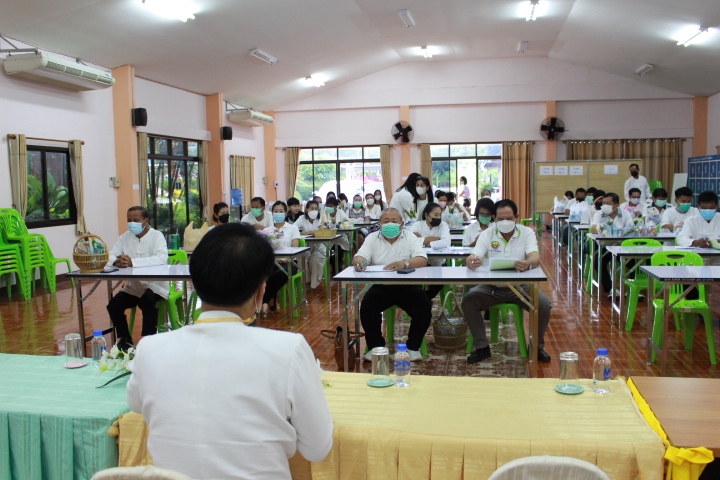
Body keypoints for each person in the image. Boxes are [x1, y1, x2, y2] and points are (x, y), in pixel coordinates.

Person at [126, 223, 333, 480]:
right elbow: (317, 449)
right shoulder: (288, 350)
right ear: (261, 291)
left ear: (195, 283)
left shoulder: (150, 349)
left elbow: (136, 403)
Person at [462, 199, 552, 363]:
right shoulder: (487, 234)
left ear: (516, 217)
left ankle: (537, 347)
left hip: (520, 287)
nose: (505, 222)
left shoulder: (526, 233)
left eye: (509, 219)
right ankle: (482, 347)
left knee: (543, 304)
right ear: (494, 218)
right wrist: (472, 261)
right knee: (469, 300)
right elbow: (474, 254)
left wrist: (528, 263)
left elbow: (535, 256)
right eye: (501, 219)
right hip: (491, 288)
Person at [352, 208, 430, 362]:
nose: (390, 224)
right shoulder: (372, 237)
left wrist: (404, 263)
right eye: (386, 221)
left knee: (424, 307)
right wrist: (359, 262)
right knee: (367, 308)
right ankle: (376, 347)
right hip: (381, 286)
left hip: (407, 286)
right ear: (380, 224)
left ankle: (413, 348)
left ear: (401, 224)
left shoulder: (410, 237)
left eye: (394, 221)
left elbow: (422, 259)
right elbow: (359, 257)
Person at [106, 206, 168, 351]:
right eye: (129, 220)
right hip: (134, 286)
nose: (132, 223)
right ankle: (125, 340)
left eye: (136, 220)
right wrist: (116, 261)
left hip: (155, 285)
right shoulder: (124, 237)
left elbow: (161, 258)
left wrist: (133, 262)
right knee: (114, 305)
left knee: (147, 300)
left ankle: (148, 341)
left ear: (146, 221)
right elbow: (110, 255)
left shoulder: (156, 236)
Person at [261, 201, 301, 313]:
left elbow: (295, 250)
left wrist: (286, 260)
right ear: (272, 213)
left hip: (289, 262)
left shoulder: (293, 228)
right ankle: (271, 299)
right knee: (264, 274)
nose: (278, 213)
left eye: (281, 211)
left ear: (285, 213)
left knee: (280, 273)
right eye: (276, 211)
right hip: (272, 262)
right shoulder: (266, 231)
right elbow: (264, 250)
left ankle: (265, 300)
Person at [591, 192, 633, 294]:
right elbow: (593, 228)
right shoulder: (599, 213)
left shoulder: (625, 213)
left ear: (616, 205)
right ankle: (610, 289)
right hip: (606, 246)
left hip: (622, 246)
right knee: (598, 261)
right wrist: (604, 228)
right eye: (603, 203)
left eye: (608, 203)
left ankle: (632, 289)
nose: (604, 205)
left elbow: (631, 228)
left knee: (635, 262)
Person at [411, 203, 450, 300]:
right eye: (435, 215)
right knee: (414, 285)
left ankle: (424, 300)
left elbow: (446, 242)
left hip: (439, 263)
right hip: (419, 264)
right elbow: (411, 241)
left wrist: (424, 242)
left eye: (440, 215)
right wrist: (435, 239)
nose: (439, 217)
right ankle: (423, 300)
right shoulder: (417, 225)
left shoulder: (443, 225)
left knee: (438, 283)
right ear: (426, 215)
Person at [296, 200, 325, 289]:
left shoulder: (321, 218)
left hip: (319, 246)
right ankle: (305, 282)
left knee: (315, 259)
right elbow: (293, 229)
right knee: (302, 258)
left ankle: (314, 284)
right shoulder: (302, 218)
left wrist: (318, 232)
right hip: (307, 246)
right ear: (307, 209)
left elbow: (325, 229)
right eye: (312, 208)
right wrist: (306, 233)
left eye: (316, 209)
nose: (314, 210)